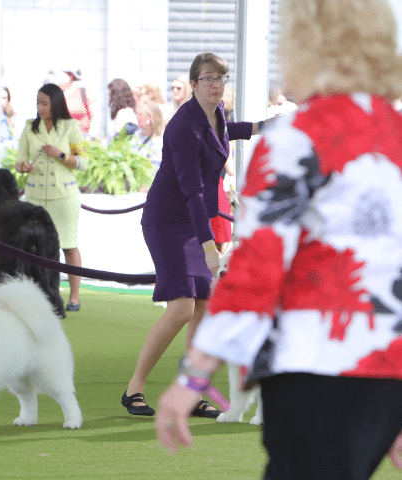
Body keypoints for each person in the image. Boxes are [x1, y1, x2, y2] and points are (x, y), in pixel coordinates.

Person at [156, 2, 402, 478]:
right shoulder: (395, 136)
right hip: (387, 377)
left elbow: (255, 268)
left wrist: (194, 376)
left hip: (313, 369)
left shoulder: (294, 137)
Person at [120, 52, 265, 418]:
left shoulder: (216, 114)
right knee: (183, 308)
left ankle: (191, 389)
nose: (216, 85)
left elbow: (223, 134)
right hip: (168, 220)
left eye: (220, 79)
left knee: (202, 305)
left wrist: (264, 127)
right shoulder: (183, 125)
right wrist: (209, 246)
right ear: (194, 83)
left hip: (193, 219)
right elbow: (193, 192)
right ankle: (133, 389)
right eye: (208, 79)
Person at [15, 83, 89, 312]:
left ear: (55, 103)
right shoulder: (29, 127)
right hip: (35, 197)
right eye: (38, 102)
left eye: (44, 103)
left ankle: (74, 296)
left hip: (63, 196)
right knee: (32, 247)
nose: (40, 107)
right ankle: (38, 294)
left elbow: (83, 163)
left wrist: (59, 154)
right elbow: (19, 161)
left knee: (68, 246)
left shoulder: (70, 126)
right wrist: (23, 166)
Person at [44, 67, 96, 137]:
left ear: (70, 75)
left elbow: (96, 116)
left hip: (82, 140)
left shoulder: (84, 93)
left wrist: (91, 136)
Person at [131, 99, 165, 172]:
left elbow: (154, 169)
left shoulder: (159, 142)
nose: (137, 117)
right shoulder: (138, 134)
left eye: (140, 114)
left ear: (150, 118)